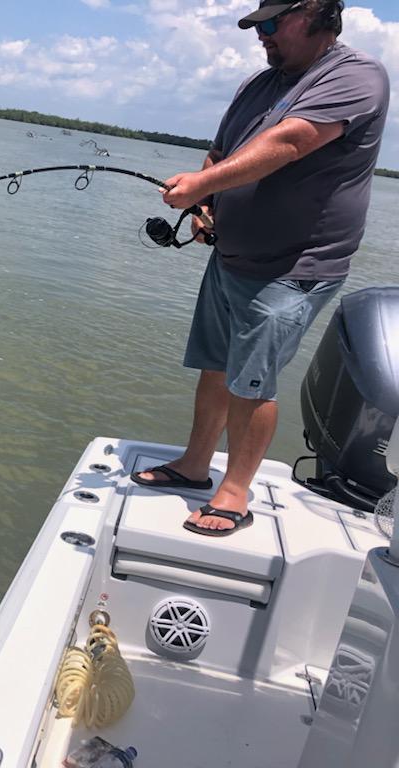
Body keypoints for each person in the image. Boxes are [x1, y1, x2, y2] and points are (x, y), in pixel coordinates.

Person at [132, 0, 390, 536]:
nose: (261, 35)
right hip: (232, 258)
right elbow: (221, 151)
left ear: (318, 15)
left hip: (295, 266)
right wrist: (205, 205)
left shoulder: (357, 76)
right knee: (217, 366)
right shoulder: (259, 83)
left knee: (253, 381)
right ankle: (195, 465)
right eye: (257, 25)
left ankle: (234, 492)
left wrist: (201, 187)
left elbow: (291, 141)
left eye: (272, 24)